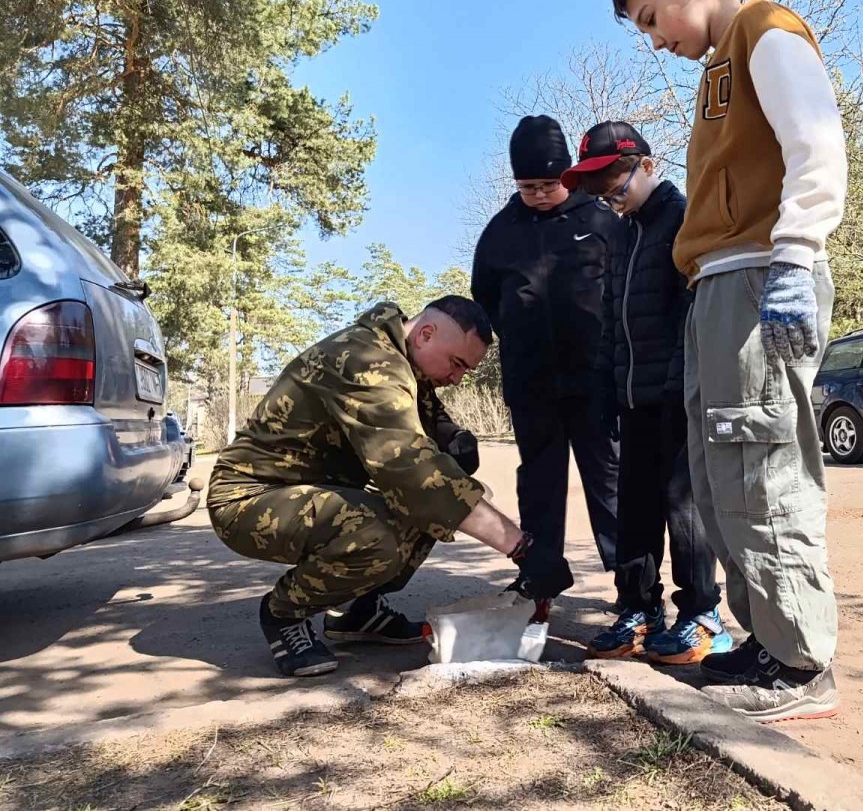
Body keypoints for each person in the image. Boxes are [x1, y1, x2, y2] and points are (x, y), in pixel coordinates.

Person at [609, 0, 847, 721]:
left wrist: (794, 255)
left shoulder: (763, 31)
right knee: (719, 481)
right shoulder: (718, 66)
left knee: (763, 469)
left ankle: (804, 662)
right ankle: (766, 636)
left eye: (649, 18)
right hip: (717, 286)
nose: (652, 40)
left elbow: (817, 144)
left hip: (760, 279)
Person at [207, 297, 572, 677]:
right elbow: (412, 472)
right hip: (249, 497)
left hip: (310, 491)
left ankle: (358, 611)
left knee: (440, 502)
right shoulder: (366, 360)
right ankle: (283, 613)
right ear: (426, 334)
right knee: (387, 523)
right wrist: (522, 549)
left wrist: (451, 437)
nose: (456, 378)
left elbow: (424, 416)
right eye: (457, 364)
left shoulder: (404, 358)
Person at [560, 120, 730, 665]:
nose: (612, 201)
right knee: (632, 508)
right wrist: (610, 389)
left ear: (649, 167)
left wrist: (681, 383)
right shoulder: (622, 234)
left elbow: (692, 312)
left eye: (617, 188)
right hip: (631, 397)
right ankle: (637, 608)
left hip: (678, 395)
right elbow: (611, 320)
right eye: (602, 196)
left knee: (683, 507)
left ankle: (702, 614)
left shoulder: (683, 220)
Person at [471, 115, 622, 614]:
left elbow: (622, 291)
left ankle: (634, 592)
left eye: (548, 184)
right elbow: (486, 298)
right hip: (531, 383)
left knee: (610, 482)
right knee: (538, 485)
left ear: (568, 176)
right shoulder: (500, 232)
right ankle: (538, 584)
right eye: (527, 185)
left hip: (596, 380)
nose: (538, 193)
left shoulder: (600, 221)